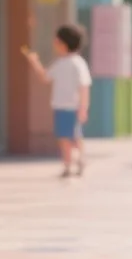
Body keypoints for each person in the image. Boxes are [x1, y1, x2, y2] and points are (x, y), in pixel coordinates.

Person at [24, 25, 91, 178]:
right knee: (63, 138)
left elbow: (84, 86)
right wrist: (35, 62)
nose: (54, 43)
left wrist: (83, 107)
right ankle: (68, 165)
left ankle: (80, 159)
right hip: (60, 106)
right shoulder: (59, 63)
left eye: (57, 41)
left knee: (75, 137)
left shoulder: (78, 63)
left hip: (73, 107)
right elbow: (45, 77)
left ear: (64, 44)